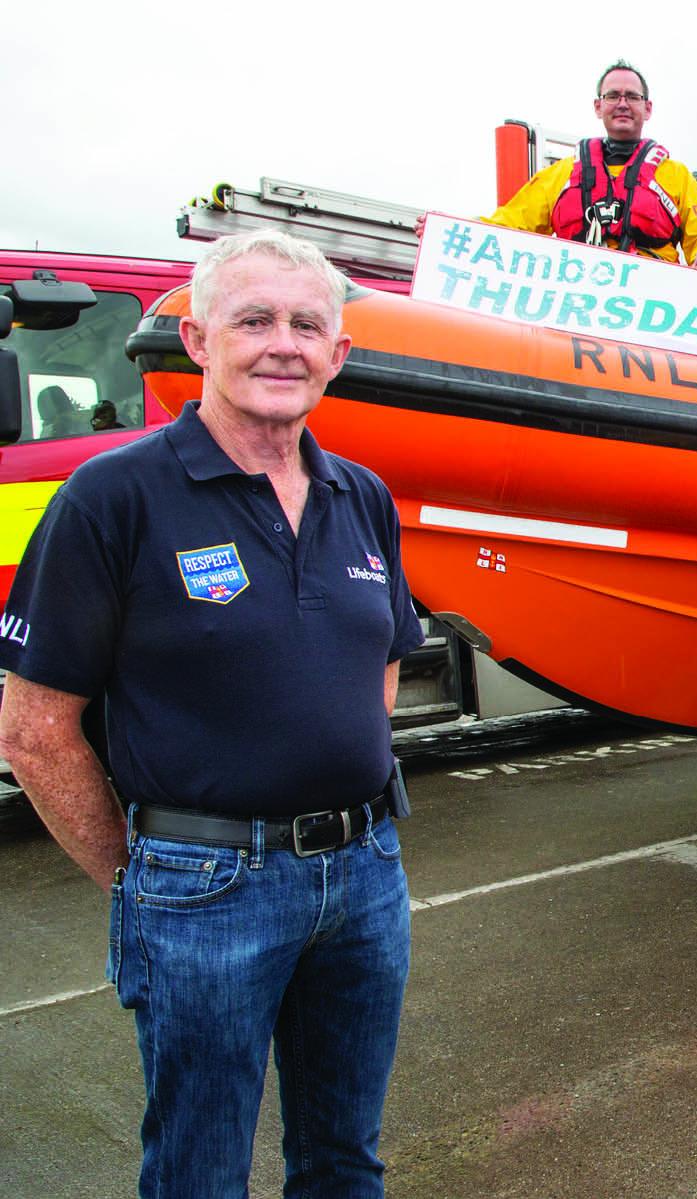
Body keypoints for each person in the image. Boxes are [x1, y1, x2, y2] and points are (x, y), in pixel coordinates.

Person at [0, 229, 425, 1198]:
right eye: (254, 319)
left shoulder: (362, 495)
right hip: (203, 892)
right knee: (199, 1171)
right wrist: (145, 877)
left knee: (344, 1159)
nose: (284, 343)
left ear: (338, 353)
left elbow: (384, 663)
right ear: (196, 339)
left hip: (364, 880)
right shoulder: (111, 498)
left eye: (308, 324)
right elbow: (31, 727)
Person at [422, 60, 697, 273]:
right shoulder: (562, 174)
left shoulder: (676, 176)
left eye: (632, 96)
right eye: (612, 96)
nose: (622, 103)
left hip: (650, 310)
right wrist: (448, 231)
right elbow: (509, 223)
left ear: (647, 108)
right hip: (577, 303)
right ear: (598, 106)